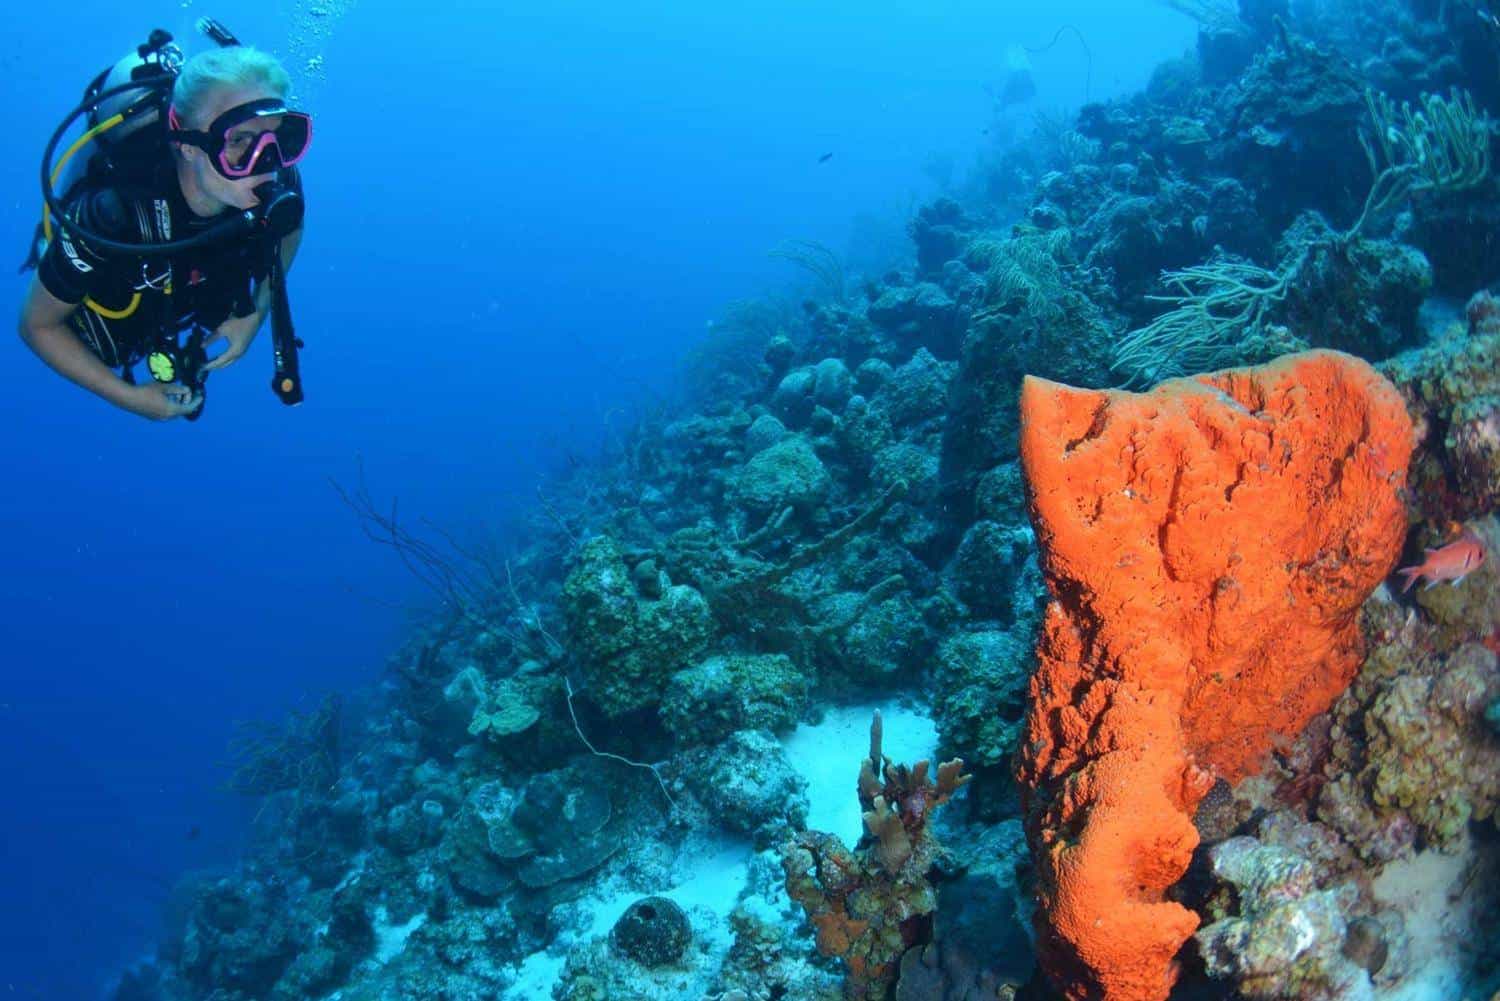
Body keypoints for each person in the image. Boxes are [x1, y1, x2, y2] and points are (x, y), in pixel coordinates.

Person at [17, 42, 310, 421]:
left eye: (280, 138)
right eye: (239, 140)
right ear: (188, 145)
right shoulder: (113, 215)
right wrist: (130, 398)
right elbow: (36, 324)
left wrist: (256, 312)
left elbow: (291, 229)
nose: (267, 163)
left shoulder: (277, 180)